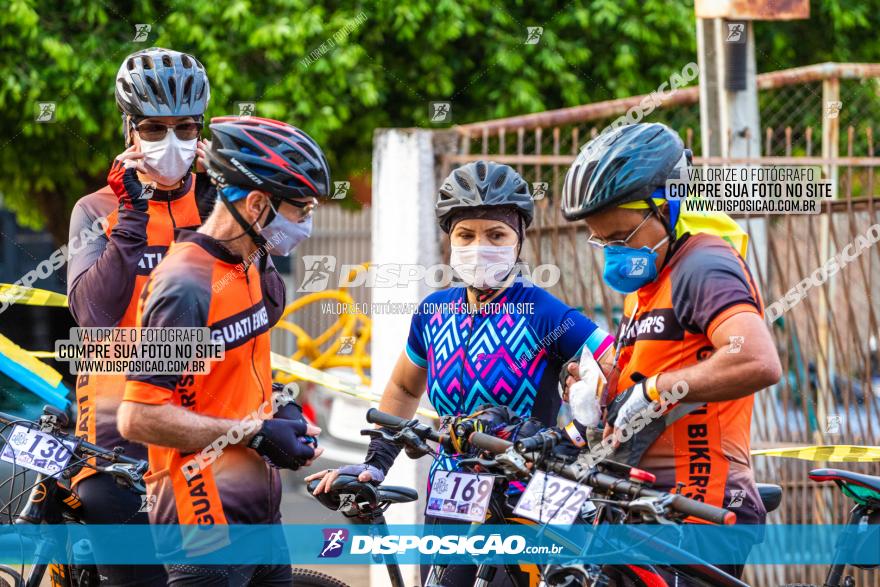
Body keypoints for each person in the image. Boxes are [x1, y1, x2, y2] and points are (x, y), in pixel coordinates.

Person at [307, 160, 615, 586]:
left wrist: (580, 429)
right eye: (465, 235)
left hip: (532, 501)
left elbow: (616, 361)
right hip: (452, 495)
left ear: (518, 240)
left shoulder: (544, 312)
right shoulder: (433, 312)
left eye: (496, 235)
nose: (479, 246)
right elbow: (401, 387)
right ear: (449, 241)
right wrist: (377, 463)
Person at [560, 122, 782, 581]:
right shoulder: (647, 283)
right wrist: (596, 385)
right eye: (601, 240)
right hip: (641, 505)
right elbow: (660, 362)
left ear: (668, 205)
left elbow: (755, 359)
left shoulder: (703, 264)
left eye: (621, 236)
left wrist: (659, 389)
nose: (611, 253)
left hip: (699, 509)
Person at [117, 116, 330, 585]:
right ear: (257, 204)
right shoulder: (185, 283)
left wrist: (279, 411)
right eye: (301, 209)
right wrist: (253, 434)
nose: (306, 224)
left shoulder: (248, 261)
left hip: (260, 514)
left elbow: (225, 375)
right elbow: (139, 416)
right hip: (204, 526)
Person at [65, 46, 227, 586]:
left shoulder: (218, 208)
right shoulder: (96, 210)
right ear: (129, 129)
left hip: (200, 425)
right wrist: (132, 215)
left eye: (185, 127)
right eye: (154, 129)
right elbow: (93, 316)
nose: (171, 142)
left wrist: (222, 203)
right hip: (115, 430)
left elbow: (257, 303)